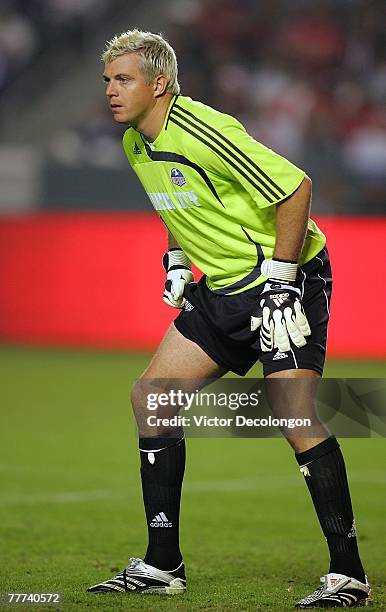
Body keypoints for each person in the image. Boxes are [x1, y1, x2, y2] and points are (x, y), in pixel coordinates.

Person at [87, 29, 370, 607]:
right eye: (108, 80)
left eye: (124, 79)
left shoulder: (206, 130)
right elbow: (179, 201)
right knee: (153, 398)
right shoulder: (135, 144)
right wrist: (174, 255)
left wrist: (282, 283)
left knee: (294, 414)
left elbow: (295, 189)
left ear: (159, 84)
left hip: (284, 279)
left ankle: (350, 576)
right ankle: (163, 565)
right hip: (220, 289)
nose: (112, 92)